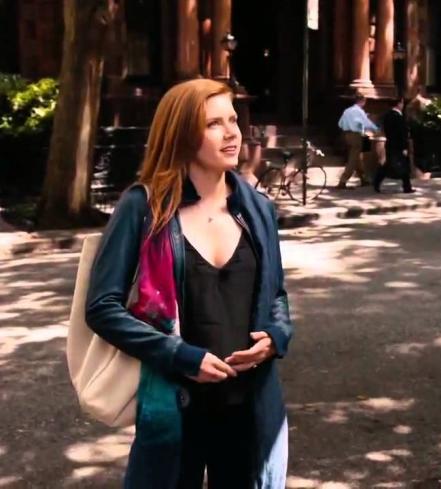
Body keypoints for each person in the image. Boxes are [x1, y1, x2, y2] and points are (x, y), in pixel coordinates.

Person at [86, 79, 293, 488]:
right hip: (174, 408)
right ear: (181, 134)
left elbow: (277, 295)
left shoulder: (257, 208)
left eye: (233, 120)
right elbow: (102, 307)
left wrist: (275, 337)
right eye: (213, 124)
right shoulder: (144, 207)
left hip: (250, 410)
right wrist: (180, 355)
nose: (232, 133)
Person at [337, 91, 380, 189]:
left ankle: (363, 178)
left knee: (356, 157)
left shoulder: (347, 111)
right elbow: (366, 123)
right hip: (355, 136)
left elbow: (340, 123)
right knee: (353, 159)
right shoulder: (359, 112)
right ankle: (343, 181)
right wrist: (375, 129)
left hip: (346, 135)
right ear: (362, 101)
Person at [374, 98, 414, 193]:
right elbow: (401, 133)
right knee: (402, 166)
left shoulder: (387, 115)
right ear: (399, 104)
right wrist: (404, 147)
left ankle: (377, 182)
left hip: (390, 144)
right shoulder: (398, 116)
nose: (403, 105)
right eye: (402, 103)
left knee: (389, 165)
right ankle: (407, 187)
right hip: (398, 145)